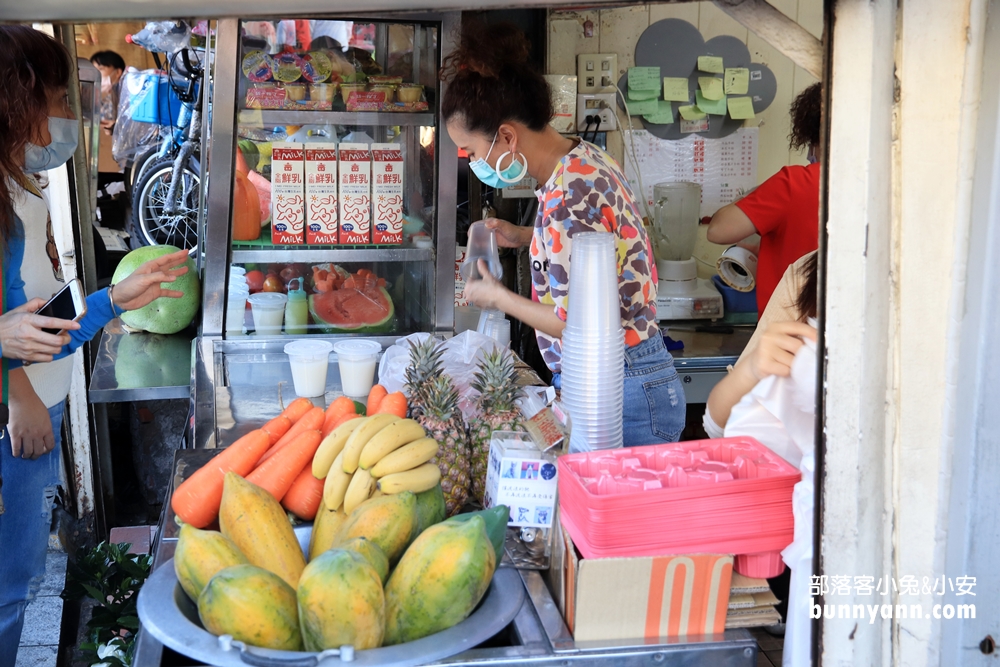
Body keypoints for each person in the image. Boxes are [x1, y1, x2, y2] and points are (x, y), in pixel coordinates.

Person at [0, 26, 191, 666]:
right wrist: (14, 389)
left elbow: (42, 327)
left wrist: (115, 299)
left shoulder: (14, 187)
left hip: (37, 402)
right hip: (13, 419)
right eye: (57, 93)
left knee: (17, 580)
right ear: (18, 96)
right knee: (6, 589)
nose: (66, 114)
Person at [441, 23, 686, 446]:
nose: (473, 162)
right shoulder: (583, 160)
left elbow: (577, 327)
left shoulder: (567, 197)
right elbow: (596, 245)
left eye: (474, 152)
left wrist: (497, 296)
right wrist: (525, 236)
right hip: (632, 375)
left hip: (620, 386)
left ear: (506, 137)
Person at [706, 83, 822, 315]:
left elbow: (717, 230)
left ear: (810, 132)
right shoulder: (888, 186)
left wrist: (751, 196)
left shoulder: (794, 183)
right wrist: (769, 249)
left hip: (789, 336)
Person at [89, 50, 126, 135]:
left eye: (100, 69)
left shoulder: (131, 92)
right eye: (93, 71)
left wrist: (117, 126)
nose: (96, 75)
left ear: (117, 72)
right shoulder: (107, 101)